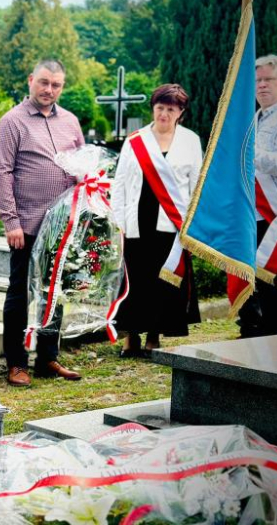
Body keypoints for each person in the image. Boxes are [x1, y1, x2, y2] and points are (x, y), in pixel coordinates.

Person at [0, 59, 84, 387]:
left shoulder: (71, 122)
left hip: (62, 225)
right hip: (26, 225)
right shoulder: (12, 122)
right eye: (44, 82)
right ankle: (16, 363)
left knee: (54, 291)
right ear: (31, 80)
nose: (49, 90)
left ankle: (48, 358)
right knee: (19, 293)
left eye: (56, 85)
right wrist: (10, 220)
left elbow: (81, 167)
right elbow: (0, 173)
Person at [111, 84, 202, 356]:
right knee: (134, 280)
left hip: (171, 224)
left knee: (161, 281)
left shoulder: (190, 141)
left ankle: (154, 334)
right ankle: (130, 335)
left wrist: (192, 225)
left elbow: (196, 186)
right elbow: (120, 184)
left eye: (170, 109)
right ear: (153, 108)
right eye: (160, 107)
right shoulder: (135, 140)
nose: (164, 113)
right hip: (136, 221)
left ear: (180, 112)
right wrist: (118, 222)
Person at [237, 54, 277, 337]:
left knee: (274, 281)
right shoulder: (253, 118)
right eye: (257, 80)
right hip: (251, 212)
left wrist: (251, 155)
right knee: (249, 276)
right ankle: (251, 330)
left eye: (269, 79)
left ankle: (274, 336)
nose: (262, 86)